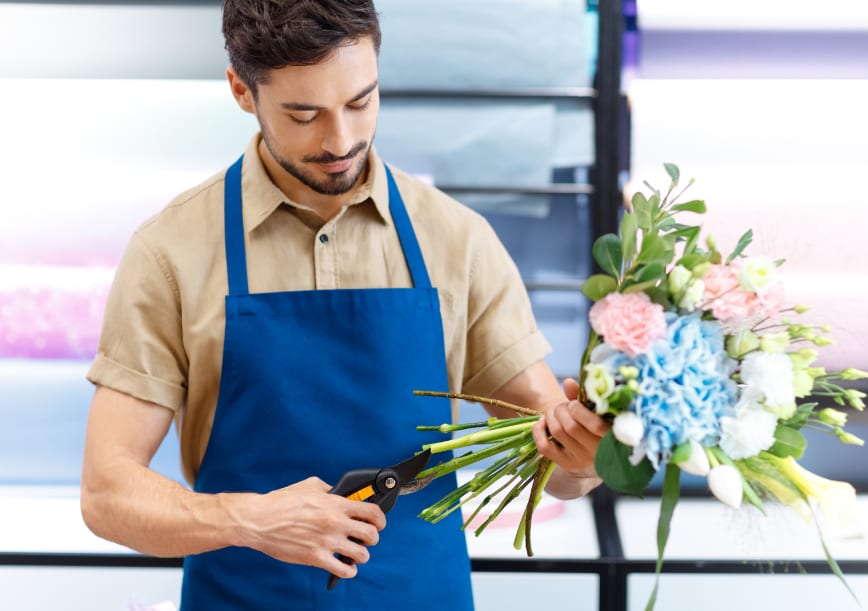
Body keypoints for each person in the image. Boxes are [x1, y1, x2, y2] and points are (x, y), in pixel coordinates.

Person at [80, 1, 608, 608]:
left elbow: (558, 465)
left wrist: (585, 459)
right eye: (303, 114)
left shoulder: (456, 240)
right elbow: (107, 493)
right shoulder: (170, 251)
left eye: (360, 101)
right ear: (241, 91)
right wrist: (248, 520)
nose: (341, 140)